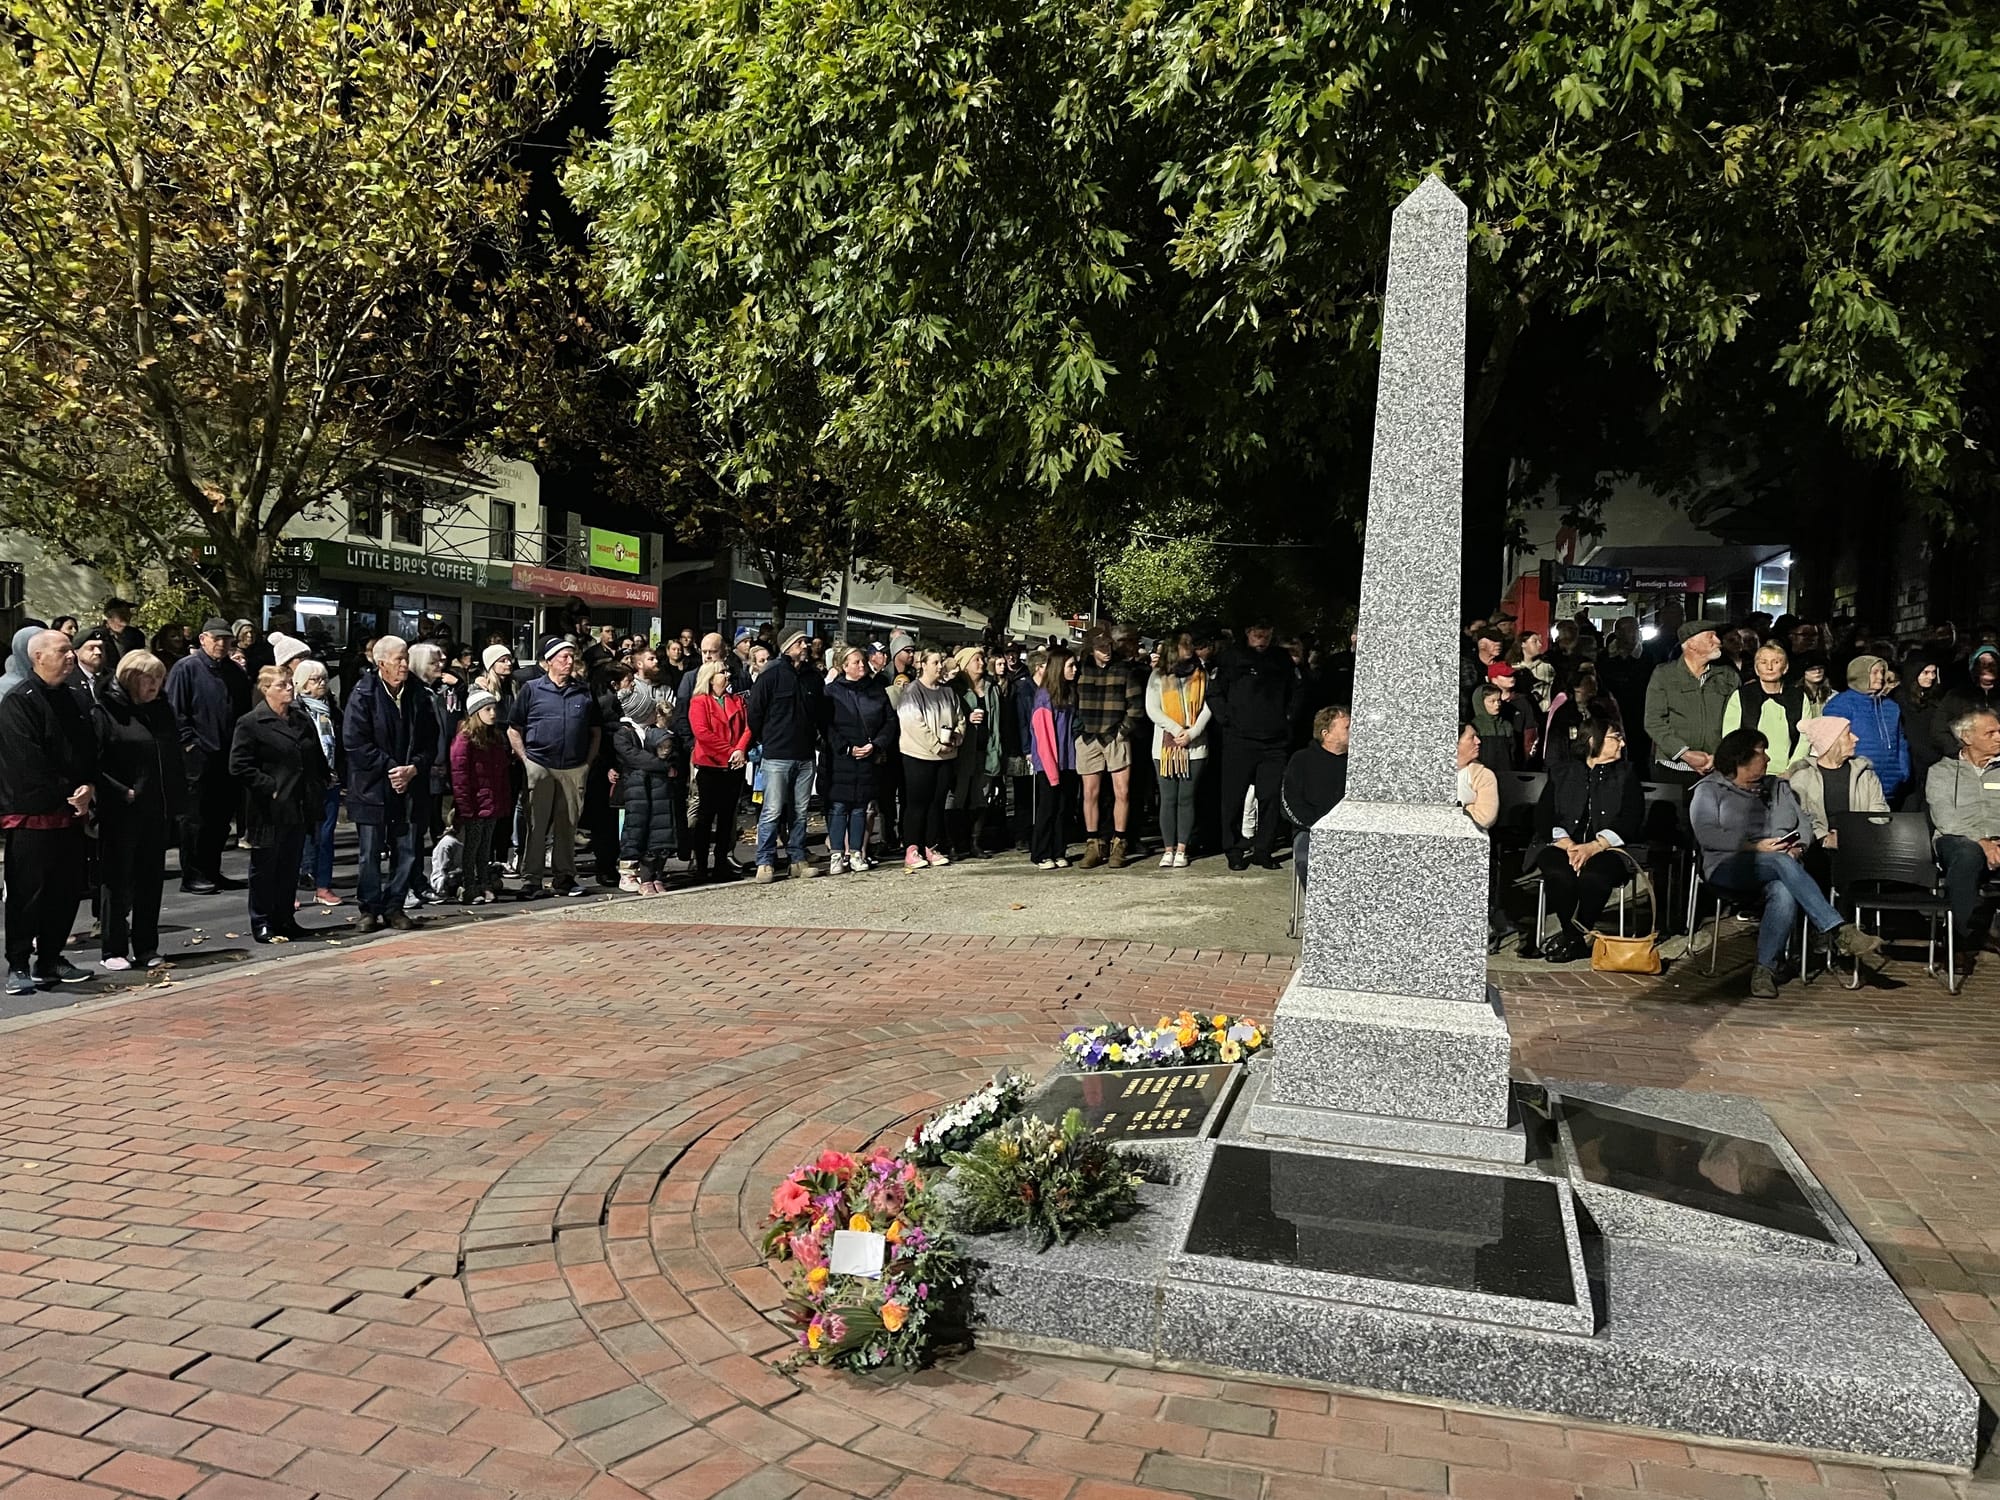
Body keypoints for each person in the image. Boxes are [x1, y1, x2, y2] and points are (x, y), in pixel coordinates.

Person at [1692, 728, 1881, 998]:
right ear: (1741, 758)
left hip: (1779, 867)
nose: (1768, 759)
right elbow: (1707, 835)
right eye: (1761, 752)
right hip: (1727, 867)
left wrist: (1797, 848)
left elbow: (1804, 825)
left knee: (1783, 892)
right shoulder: (1710, 790)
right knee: (1779, 863)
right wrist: (1754, 846)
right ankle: (1838, 929)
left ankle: (1764, 971)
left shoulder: (1778, 788)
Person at [0, 631, 97, 995]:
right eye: (62, 650)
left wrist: (88, 787)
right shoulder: (18, 701)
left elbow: (89, 748)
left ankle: (51, 957)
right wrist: (69, 792)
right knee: (28, 893)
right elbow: (28, 761)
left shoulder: (75, 697)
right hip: (32, 813)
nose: (70, 656)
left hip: (72, 811)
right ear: (38, 657)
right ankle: (18, 963)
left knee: (66, 890)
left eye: (71, 650)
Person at [93, 649, 184, 972]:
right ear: (131, 678)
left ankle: (146, 946)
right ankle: (113, 947)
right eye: (150, 678)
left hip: (156, 808)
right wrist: (124, 792)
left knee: (150, 880)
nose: (156, 685)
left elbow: (171, 754)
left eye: (160, 678)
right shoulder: (105, 711)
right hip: (122, 810)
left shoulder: (161, 710)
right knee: (117, 881)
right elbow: (94, 764)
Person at [1527, 716, 1644, 962]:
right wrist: (1570, 846)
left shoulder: (1627, 774)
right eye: (1616, 738)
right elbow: (1543, 816)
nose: (1622, 744)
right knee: (1559, 873)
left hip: (1608, 848)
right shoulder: (1562, 772)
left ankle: (1572, 936)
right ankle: (1575, 938)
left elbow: (1631, 819)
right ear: (1592, 740)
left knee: (1595, 876)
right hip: (1561, 845)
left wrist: (1594, 846)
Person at [229, 666, 329, 944]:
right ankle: (262, 921)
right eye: (281, 685)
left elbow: (314, 754)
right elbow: (238, 765)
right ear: (266, 690)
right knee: (265, 866)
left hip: (298, 803)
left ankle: (285, 918)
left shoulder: (300, 719)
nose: (289, 688)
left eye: (289, 684)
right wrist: (269, 785)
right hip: (268, 808)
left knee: (289, 864)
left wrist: (322, 779)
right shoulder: (251, 723)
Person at [343, 635, 437, 932]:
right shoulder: (363, 694)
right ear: (381, 663)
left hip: (409, 785)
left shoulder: (418, 694)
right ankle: (369, 908)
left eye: (406, 658)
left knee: (407, 851)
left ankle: (395, 906)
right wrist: (392, 769)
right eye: (399, 659)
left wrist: (413, 769)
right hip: (372, 787)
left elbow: (430, 741)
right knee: (369, 854)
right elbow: (355, 743)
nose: (405, 664)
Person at [509, 639, 602, 900]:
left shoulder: (584, 692)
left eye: (572, 657)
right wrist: (526, 761)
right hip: (539, 764)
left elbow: (595, 731)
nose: (569, 662)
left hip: (573, 767)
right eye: (563, 657)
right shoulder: (531, 690)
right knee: (536, 825)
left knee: (568, 826)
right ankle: (532, 879)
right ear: (548, 661)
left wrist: (587, 764)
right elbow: (514, 728)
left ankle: (564, 877)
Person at [164, 618, 252, 894]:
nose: (222, 644)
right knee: (195, 819)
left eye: (226, 639)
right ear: (203, 639)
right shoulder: (186, 668)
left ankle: (212, 870)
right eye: (216, 639)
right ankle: (192, 874)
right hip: (198, 756)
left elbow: (242, 711)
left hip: (228, 755)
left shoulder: (234, 672)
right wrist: (190, 745)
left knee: (220, 819)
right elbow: (175, 711)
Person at [1213, 620, 1298, 871]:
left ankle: (1263, 849)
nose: (1261, 640)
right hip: (1239, 739)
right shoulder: (1231, 657)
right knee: (1233, 798)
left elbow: (1296, 690)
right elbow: (1214, 692)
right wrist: (1226, 719)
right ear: (1248, 633)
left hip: (1273, 741)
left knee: (1270, 797)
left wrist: (1288, 718)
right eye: (1257, 635)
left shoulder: (1281, 659)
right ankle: (1234, 849)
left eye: (1266, 635)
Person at [745, 629, 824, 882]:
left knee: (800, 812)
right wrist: (766, 739)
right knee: (772, 810)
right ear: (787, 647)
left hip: (805, 754)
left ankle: (797, 859)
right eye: (799, 642)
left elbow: (820, 712)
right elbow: (755, 712)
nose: (805, 646)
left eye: (805, 642)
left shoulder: (813, 677)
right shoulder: (771, 675)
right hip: (777, 754)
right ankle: (765, 861)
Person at [1928, 708, 2000, 955]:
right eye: (1990, 733)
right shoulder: (1942, 772)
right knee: (1968, 854)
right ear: (1966, 737)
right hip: (1956, 839)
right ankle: (1960, 940)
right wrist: (1982, 842)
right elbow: (1945, 818)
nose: (1998, 737)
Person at [1072, 628, 1144, 869]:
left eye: (1108, 646)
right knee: (1090, 793)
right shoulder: (1081, 671)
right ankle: (1093, 843)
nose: (1106, 651)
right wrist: (1079, 730)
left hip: (1115, 735)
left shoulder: (1124, 670)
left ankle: (1119, 842)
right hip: (1088, 736)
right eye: (1101, 647)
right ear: (1091, 649)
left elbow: (1135, 705)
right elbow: (1071, 701)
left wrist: (1123, 731)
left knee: (1122, 792)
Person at [822, 646, 896, 874]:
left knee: (860, 807)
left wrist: (876, 745)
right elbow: (826, 725)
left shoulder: (876, 690)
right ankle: (837, 853)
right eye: (856, 662)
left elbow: (889, 721)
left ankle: (856, 852)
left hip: (868, 755)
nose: (862, 665)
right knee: (838, 806)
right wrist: (846, 747)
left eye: (863, 661)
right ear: (844, 666)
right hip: (841, 758)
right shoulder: (832, 692)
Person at [1644, 619, 1740, 783]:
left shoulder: (1728, 676)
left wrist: (1720, 755)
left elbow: (1736, 720)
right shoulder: (1664, 675)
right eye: (1710, 637)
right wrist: (1684, 753)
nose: (1718, 641)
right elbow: (1654, 721)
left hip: (1717, 768)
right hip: (1673, 769)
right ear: (1692, 644)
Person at [1147, 634, 1212, 868]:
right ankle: (1168, 849)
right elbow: (1152, 708)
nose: (1190, 648)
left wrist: (1192, 733)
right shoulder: (1158, 675)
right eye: (1185, 645)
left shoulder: (1201, 673)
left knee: (1186, 798)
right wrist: (1176, 730)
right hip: (1165, 747)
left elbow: (1208, 706)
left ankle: (1182, 848)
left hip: (1194, 745)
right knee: (1168, 798)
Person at [896, 647, 964, 871]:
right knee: (917, 803)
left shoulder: (948, 692)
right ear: (923, 665)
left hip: (945, 757)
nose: (940, 666)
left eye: (941, 662)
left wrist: (956, 737)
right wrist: (936, 745)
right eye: (935, 662)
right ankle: (912, 847)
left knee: (937, 803)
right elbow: (913, 723)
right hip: (919, 756)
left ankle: (931, 845)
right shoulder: (912, 692)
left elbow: (959, 718)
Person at [687, 659, 750, 881]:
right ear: (711, 678)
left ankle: (721, 864)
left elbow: (747, 728)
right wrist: (731, 751)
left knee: (727, 818)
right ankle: (701, 865)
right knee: (705, 817)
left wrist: (740, 750)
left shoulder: (737, 701)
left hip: (734, 766)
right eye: (722, 672)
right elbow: (702, 733)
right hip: (710, 766)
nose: (728, 675)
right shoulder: (699, 702)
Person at [612, 681, 677, 893]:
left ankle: (653, 873)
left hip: (656, 789)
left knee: (656, 829)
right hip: (635, 789)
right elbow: (634, 757)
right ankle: (628, 873)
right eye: (650, 710)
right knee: (634, 829)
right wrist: (663, 766)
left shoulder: (654, 731)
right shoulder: (623, 733)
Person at [449, 689, 513, 903]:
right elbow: (460, 776)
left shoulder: (495, 737)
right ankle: (469, 885)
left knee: (485, 846)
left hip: (490, 801)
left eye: (494, 708)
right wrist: (464, 806)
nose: (493, 713)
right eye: (487, 709)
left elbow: (501, 773)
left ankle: (484, 882)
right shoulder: (465, 739)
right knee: (472, 846)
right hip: (474, 803)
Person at [1789, 716, 1888, 850]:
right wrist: (1824, 838)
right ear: (1832, 742)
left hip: (1862, 848)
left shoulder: (1865, 775)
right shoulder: (1803, 778)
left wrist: (1856, 836)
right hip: (1816, 850)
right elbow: (1799, 818)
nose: (1856, 738)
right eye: (1848, 734)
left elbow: (1880, 812)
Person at [1822, 653, 1910, 804]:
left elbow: (1901, 742)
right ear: (1860, 674)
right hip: (1855, 784)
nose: (1880, 677)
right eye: (1874, 672)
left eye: (1882, 672)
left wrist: (1903, 771)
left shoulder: (1890, 706)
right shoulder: (1840, 705)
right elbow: (1832, 745)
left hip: (1890, 784)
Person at [291, 660, 344, 907]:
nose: (321, 683)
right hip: (304, 782)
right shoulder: (294, 711)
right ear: (302, 684)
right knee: (296, 836)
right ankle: (288, 889)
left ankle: (323, 886)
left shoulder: (332, 710)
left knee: (326, 836)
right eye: (314, 679)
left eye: (324, 678)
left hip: (330, 781)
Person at [1281, 705, 1350, 888]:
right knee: (1307, 860)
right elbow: (1290, 802)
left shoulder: (1356, 763)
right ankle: (1317, 903)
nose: (1354, 731)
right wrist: (1318, 826)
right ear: (1326, 733)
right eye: (1347, 727)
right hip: (1310, 829)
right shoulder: (1302, 760)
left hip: (1348, 830)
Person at [1719, 643, 1810, 776]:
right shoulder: (1742, 696)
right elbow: (1731, 737)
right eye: (1763, 662)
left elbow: (1805, 737)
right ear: (1756, 669)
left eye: (1776, 662)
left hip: (1790, 773)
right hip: (1748, 772)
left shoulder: (1798, 697)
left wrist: (1791, 770)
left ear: (1785, 667)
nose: (1769, 667)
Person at [950, 646, 1003, 858]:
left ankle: (976, 842)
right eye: (976, 660)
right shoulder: (956, 690)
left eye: (982, 659)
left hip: (987, 750)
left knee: (981, 797)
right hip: (964, 752)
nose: (981, 663)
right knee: (959, 797)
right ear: (964, 665)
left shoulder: (992, 688)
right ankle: (956, 843)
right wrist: (967, 718)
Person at [1029, 646, 1079, 868]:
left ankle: (1059, 850)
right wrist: (1051, 771)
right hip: (1049, 763)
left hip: (1067, 762)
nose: (1075, 670)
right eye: (1070, 666)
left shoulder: (1068, 693)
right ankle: (1041, 852)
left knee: (1062, 809)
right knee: (1048, 809)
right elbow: (1043, 738)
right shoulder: (1044, 697)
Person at [1895, 651, 1948, 803]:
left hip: (1934, 760)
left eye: (1933, 672)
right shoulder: (1900, 699)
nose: (1931, 677)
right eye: (1925, 672)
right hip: (1912, 763)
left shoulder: (1936, 698)